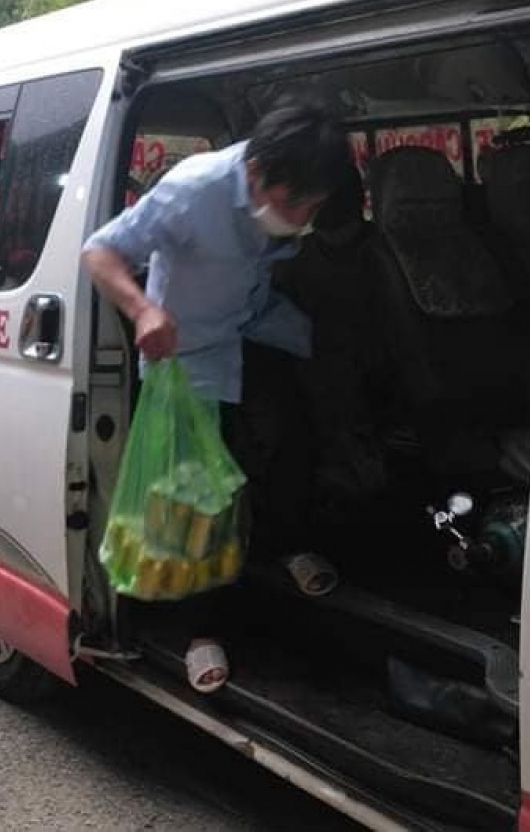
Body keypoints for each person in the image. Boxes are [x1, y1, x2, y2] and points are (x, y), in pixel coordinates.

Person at [81, 100, 354, 693]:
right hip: (188, 356)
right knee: (199, 502)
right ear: (256, 177)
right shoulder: (191, 191)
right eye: (293, 205)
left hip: (254, 324)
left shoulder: (290, 195)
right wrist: (144, 307)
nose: (303, 217)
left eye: (313, 206)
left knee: (294, 439)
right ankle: (199, 632)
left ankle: (288, 544)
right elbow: (99, 252)